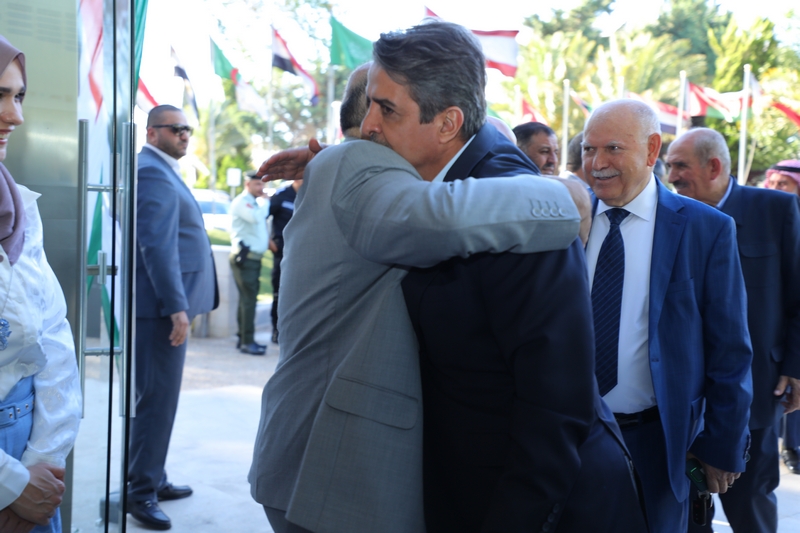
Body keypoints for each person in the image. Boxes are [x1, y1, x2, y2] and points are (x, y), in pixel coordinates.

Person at [249, 59, 584, 533]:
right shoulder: (357, 165)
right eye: (382, 108)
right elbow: (440, 217)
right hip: (331, 466)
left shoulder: (339, 166)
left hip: (311, 453)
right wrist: (569, 195)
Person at [381, 24, 646, 532]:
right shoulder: (455, 188)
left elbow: (556, 406)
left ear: (447, 123)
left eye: (386, 109)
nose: (369, 125)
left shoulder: (514, 206)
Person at [583, 103, 753, 533]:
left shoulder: (706, 229)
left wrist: (722, 444)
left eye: (613, 148)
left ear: (651, 149)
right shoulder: (567, 219)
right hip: (570, 438)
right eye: (588, 149)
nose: (597, 163)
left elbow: (730, 348)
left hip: (659, 445)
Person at [666, 132, 800, 533]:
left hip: (755, 391)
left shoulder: (775, 209)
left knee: (751, 504)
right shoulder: (669, 214)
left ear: (714, 167)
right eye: (669, 166)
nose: (671, 176)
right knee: (687, 511)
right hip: (682, 396)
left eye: (680, 165)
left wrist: (795, 367)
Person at [0, 33, 82, 533]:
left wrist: (41, 470)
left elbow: (55, 340)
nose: (15, 116)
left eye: (19, 96)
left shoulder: (21, 208)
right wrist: (9, 486)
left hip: (29, 454)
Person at [130, 104, 218, 530]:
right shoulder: (151, 171)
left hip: (164, 307)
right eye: (175, 128)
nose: (184, 135)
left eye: (187, 129)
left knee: (157, 400)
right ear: (152, 133)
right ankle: (141, 493)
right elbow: (156, 245)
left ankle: (153, 476)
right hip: (161, 311)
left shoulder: (161, 168)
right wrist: (176, 307)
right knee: (156, 403)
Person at [763, 160, 800, 476]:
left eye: (783, 184)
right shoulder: (767, 220)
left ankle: (793, 445)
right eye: (772, 183)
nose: (775, 189)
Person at [230, 171, 268, 355]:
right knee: (248, 300)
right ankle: (247, 341)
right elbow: (256, 218)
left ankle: (242, 338)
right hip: (246, 259)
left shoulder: (253, 202)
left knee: (246, 300)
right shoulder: (242, 202)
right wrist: (266, 202)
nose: (261, 188)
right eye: (257, 184)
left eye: (262, 184)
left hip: (253, 259)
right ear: (248, 184)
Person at [267, 177, 301, 345]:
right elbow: (262, 216)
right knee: (280, 292)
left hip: (302, 252)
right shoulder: (281, 195)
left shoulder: (311, 193)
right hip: (282, 252)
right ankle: (277, 331)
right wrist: (267, 240)